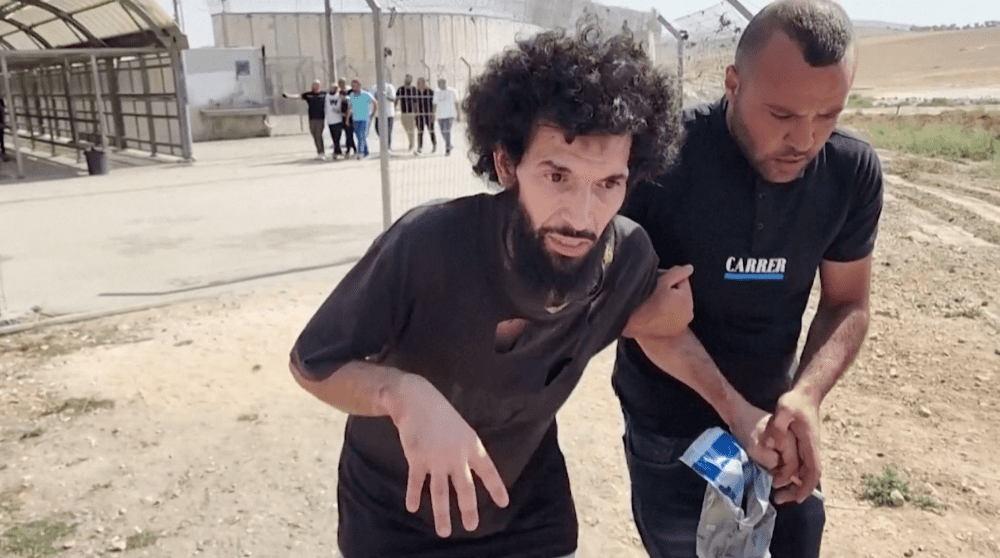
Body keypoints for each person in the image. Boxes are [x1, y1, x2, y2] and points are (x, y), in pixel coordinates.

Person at [289, 26, 687, 558]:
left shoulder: (626, 256)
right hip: (395, 519)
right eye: (557, 176)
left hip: (529, 512)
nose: (582, 215)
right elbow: (311, 361)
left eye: (608, 184)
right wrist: (404, 396)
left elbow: (639, 321)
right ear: (506, 164)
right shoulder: (429, 244)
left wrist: (738, 408)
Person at [612, 2, 883, 558]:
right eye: (781, 115)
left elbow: (848, 302)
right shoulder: (660, 162)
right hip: (671, 434)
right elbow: (636, 313)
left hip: (776, 433)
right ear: (732, 84)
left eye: (827, 115)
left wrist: (805, 397)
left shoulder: (850, 171)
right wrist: (735, 411)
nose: (804, 140)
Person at [282, 80, 329, 160]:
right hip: (311, 119)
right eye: (313, 84)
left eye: (316, 85)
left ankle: (322, 153)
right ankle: (319, 152)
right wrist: (288, 96)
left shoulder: (324, 94)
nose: (314, 86)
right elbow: (298, 96)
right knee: (314, 135)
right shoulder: (308, 95)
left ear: (320, 86)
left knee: (318, 136)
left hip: (320, 119)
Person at [347, 78, 377, 159]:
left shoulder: (366, 94)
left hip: (365, 118)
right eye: (352, 85)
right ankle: (366, 151)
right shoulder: (351, 95)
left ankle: (360, 152)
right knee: (359, 136)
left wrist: (373, 113)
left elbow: (375, 102)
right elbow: (349, 108)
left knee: (361, 135)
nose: (353, 87)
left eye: (355, 85)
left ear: (359, 85)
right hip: (355, 119)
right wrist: (347, 118)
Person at [434, 78, 459, 156]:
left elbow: (456, 103)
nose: (440, 85)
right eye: (439, 84)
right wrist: (433, 114)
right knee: (442, 132)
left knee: (447, 131)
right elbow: (435, 104)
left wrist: (458, 114)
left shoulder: (452, 91)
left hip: (450, 115)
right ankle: (449, 145)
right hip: (440, 115)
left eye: (441, 83)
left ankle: (447, 149)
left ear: (445, 83)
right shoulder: (437, 92)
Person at [396, 74, 419, 152]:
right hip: (404, 112)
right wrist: (394, 108)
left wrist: (417, 113)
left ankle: (412, 144)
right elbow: (396, 99)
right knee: (407, 129)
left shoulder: (414, 89)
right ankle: (411, 142)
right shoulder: (400, 89)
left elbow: (416, 102)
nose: (407, 80)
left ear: (411, 80)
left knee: (411, 129)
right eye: (406, 79)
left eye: (409, 79)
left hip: (412, 112)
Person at [326, 81, 348, 160]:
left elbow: (346, 97)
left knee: (337, 137)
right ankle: (337, 151)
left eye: (336, 88)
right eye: (333, 88)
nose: (334, 89)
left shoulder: (340, 95)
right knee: (334, 137)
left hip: (338, 120)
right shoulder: (327, 96)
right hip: (330, 120)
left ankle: (337, 151)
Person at [414, 77, 436, 154]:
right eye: (419, 83)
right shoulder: (416, 92)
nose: (421, 85)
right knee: (420, 131)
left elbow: (434, 104)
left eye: (422, 83)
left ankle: (434, 145)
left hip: (428, 114)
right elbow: (414, 104)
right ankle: (419, 148)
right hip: (419, 115)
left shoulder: (430, 92)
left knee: (431, 130)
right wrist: (415, 113)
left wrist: (433, 114)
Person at [374, 78, 396, 153]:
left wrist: (385, 96)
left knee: (388, 131)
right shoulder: (375, 87)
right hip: (378, 114)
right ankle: (384, 144)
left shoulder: (389, 87)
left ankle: (388, 148)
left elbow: (393, 99)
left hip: (389, 113)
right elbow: (372, 98)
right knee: (377, 129)